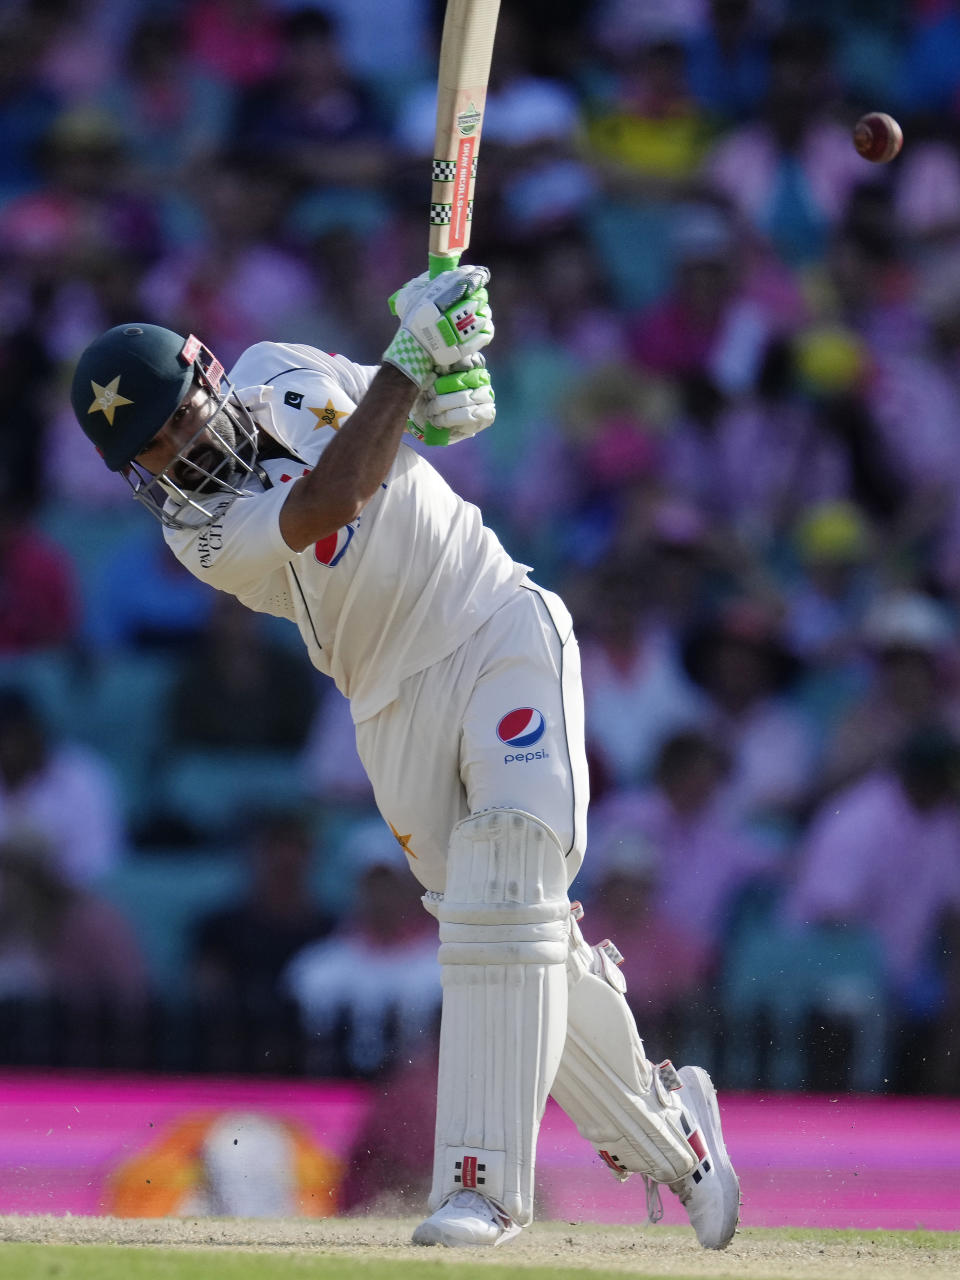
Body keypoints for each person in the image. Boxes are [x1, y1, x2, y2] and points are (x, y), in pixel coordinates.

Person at [69, 263, 739, 1249]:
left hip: (495, 620)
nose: (179, 449)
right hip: (389, 700)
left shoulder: (283, 365)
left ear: (213, 373)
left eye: (176, 418)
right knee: (517, 935)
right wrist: (410, 356)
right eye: (152, 449)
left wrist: (453, 368)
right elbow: (334, 496)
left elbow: (428, 420)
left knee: (510, 869)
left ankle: (482, 1185)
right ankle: (671, 1132)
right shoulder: (197, 529)